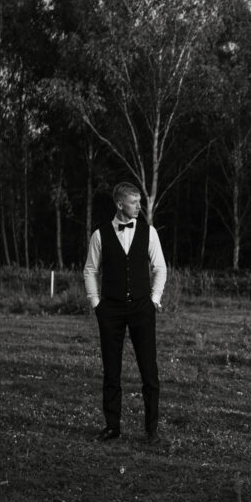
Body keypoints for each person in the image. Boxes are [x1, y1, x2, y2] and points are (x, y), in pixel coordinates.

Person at [84, 182, 168, 443]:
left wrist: (154, 299)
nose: (139, 206)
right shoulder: (99, 235)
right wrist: (96, 303)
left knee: (149, 371)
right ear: (120, 204)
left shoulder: (149, 232)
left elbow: (160, 267)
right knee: (111, 370)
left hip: (142, 308)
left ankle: (151, 430)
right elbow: (90, 270)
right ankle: (112, 427)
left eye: (139, 202)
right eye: (134, 202)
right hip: (111, 309)